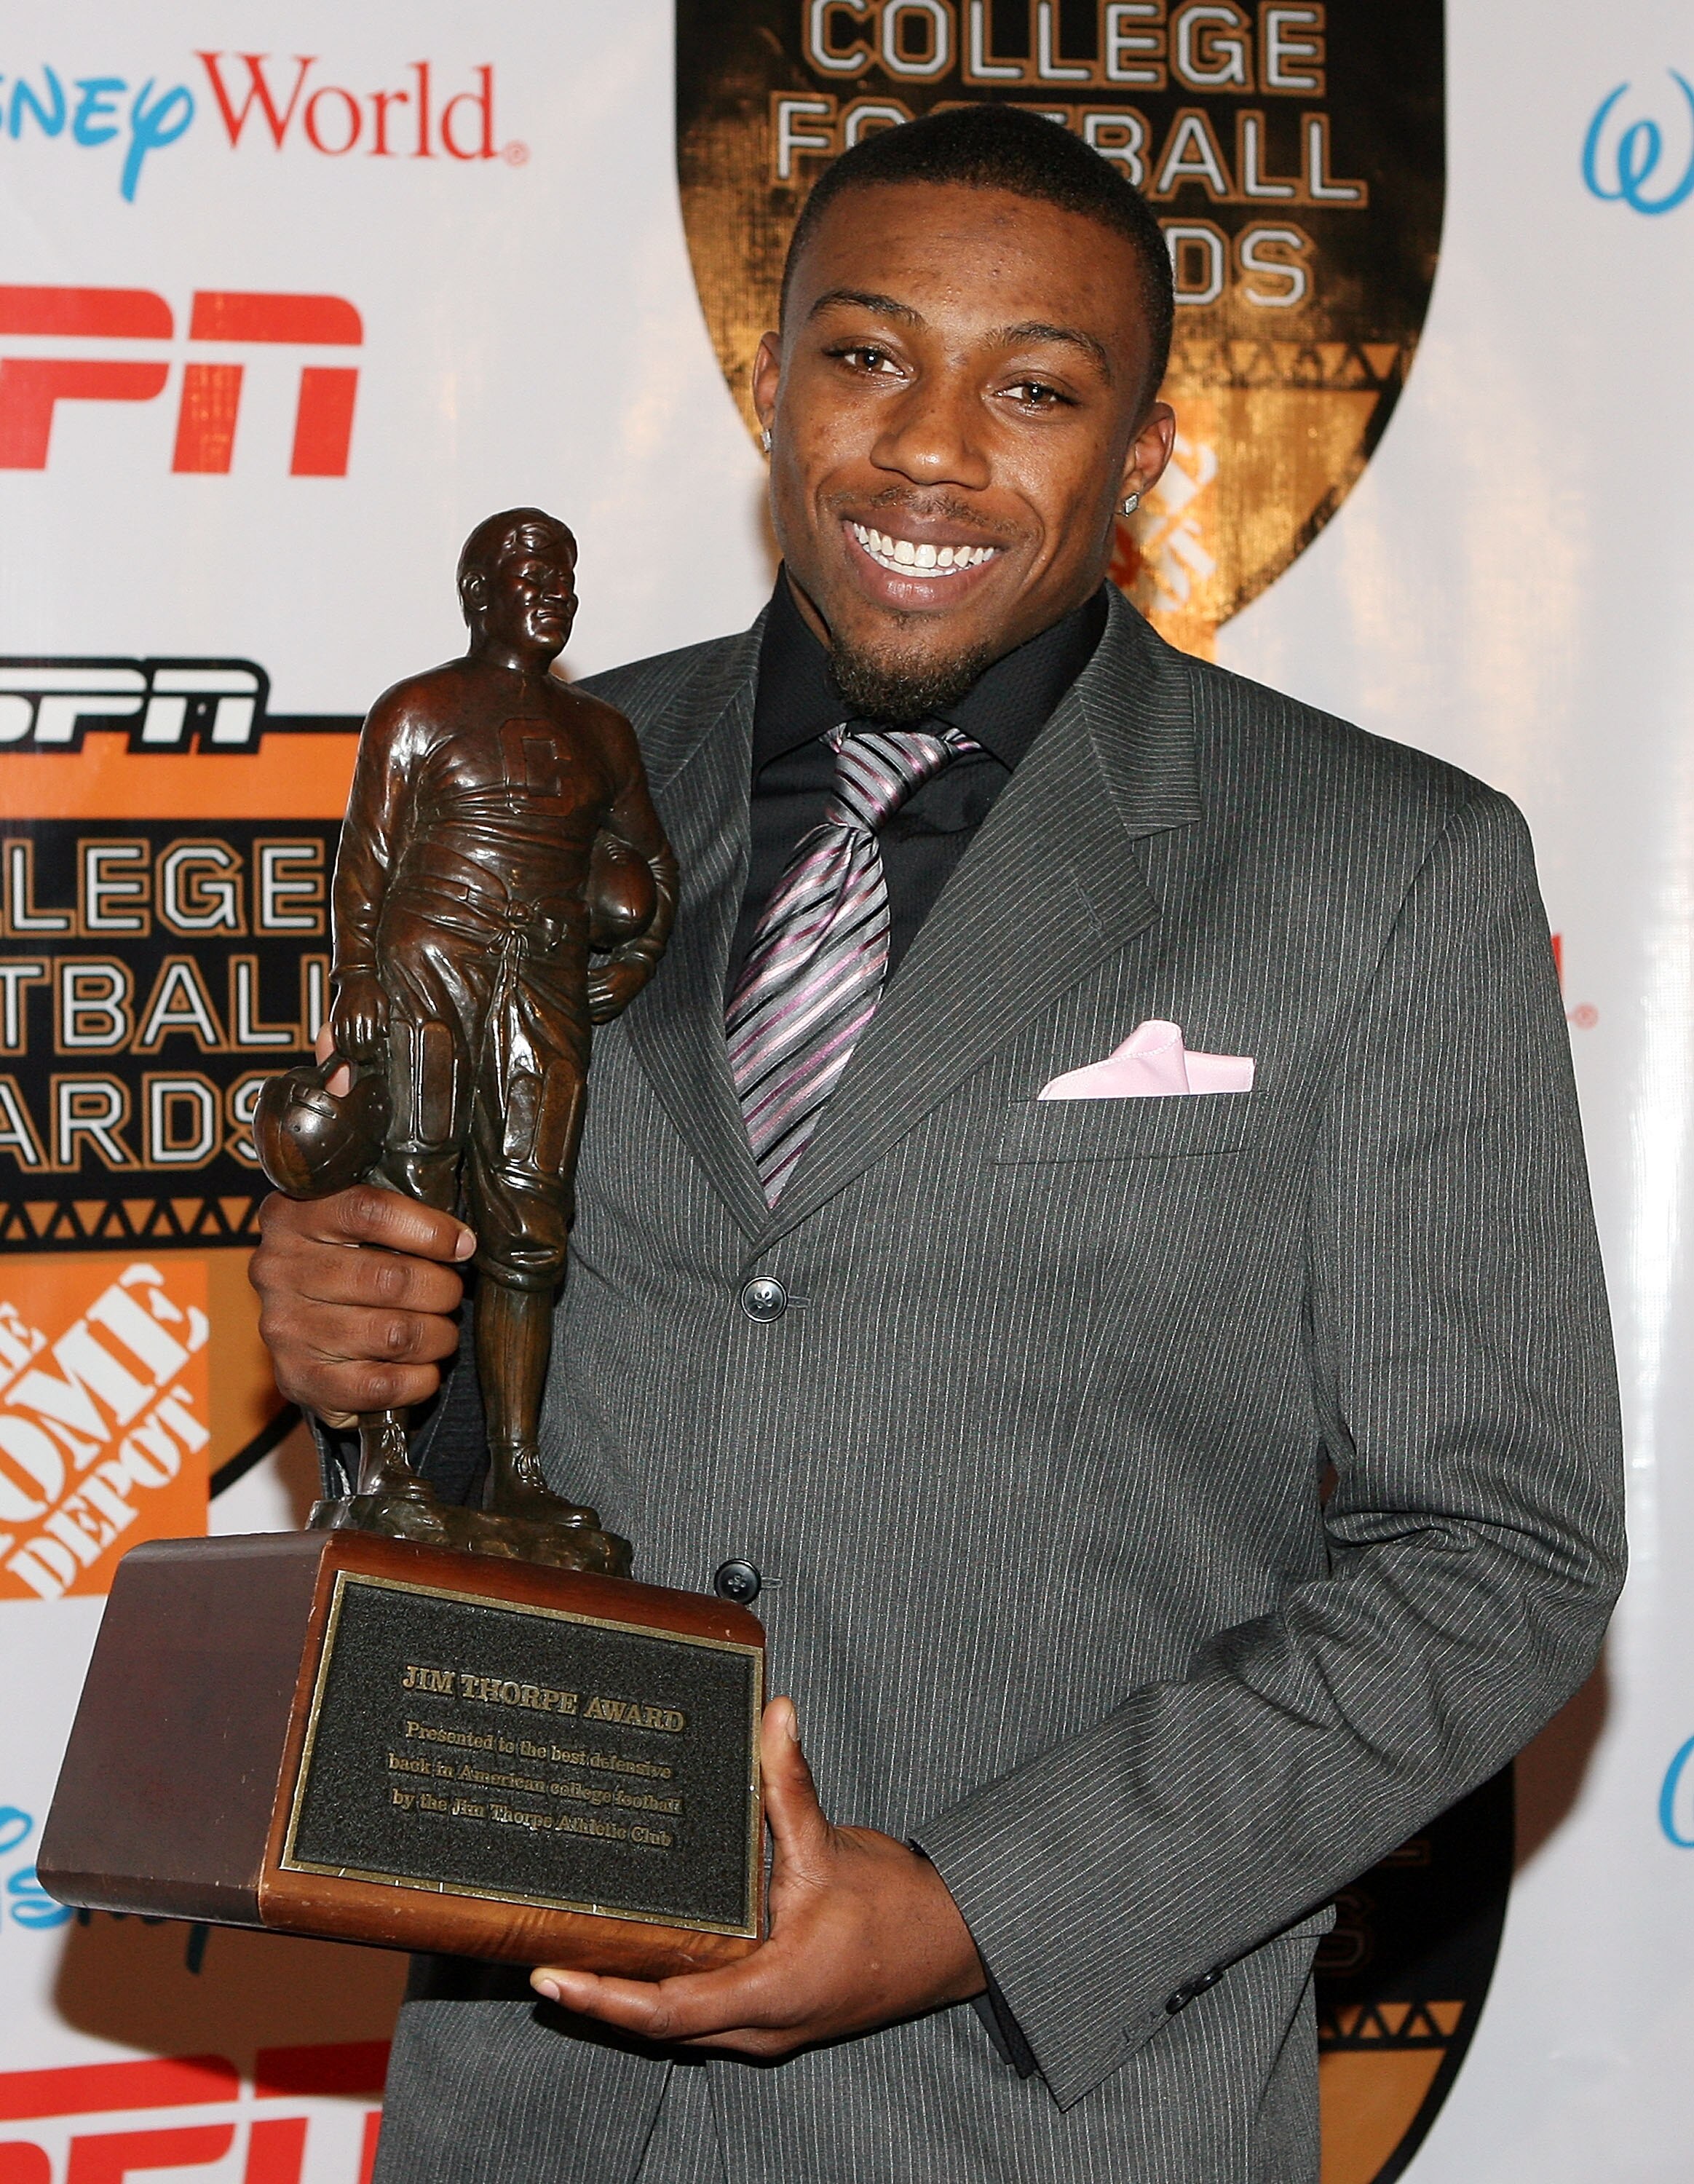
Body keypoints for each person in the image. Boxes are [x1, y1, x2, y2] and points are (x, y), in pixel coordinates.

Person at [252, 106, 1625, 2184]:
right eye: (868, 356)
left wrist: (973, 1907)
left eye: (1038, 389)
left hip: (1043, 2122)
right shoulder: (555, 778)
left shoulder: (1384, 870)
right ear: (774, 387)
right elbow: (495, 1445)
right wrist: (355, 1349)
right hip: (526, 2113)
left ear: (1146, 457)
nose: (930, 450)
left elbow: (1498, 1550)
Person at [318, 508, 675, 1546]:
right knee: (412, 1208)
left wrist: (640, 956)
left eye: (564, 570)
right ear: (478, 594)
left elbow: (650, 868)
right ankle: (387, 1457)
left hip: (544, 987)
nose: (552, 588)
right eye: (528, 571)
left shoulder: (602, 733)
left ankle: (518, 1469)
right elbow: (366, 861)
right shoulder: (419, 710)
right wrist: (355, 977)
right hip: (429, 972)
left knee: (528, 1229)